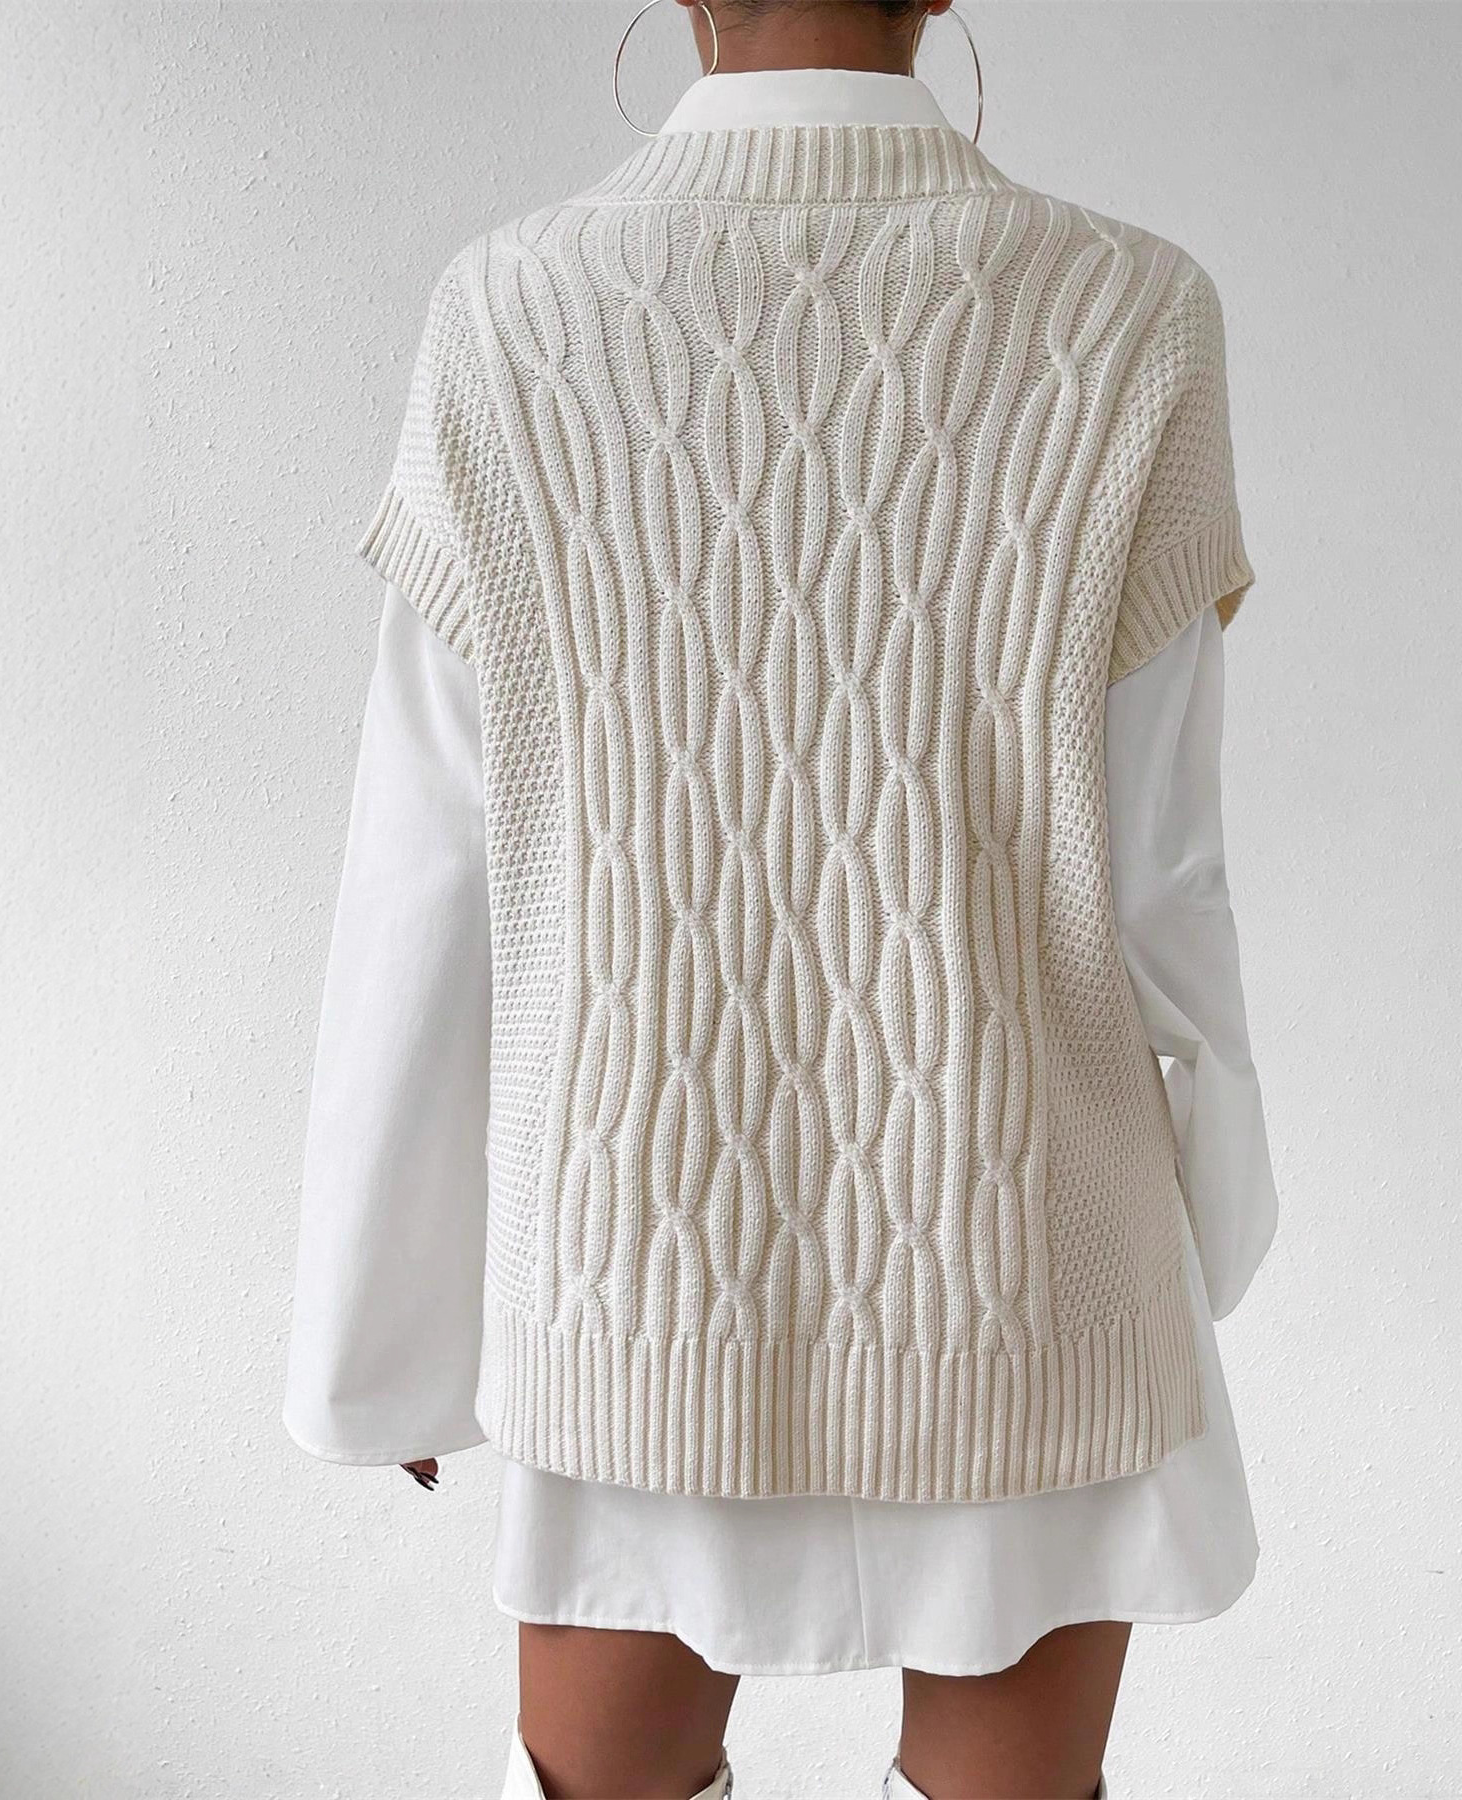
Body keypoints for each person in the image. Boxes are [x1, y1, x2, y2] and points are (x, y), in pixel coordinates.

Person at [283, 2, 1279, 1795]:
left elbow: (428, 873)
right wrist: (1213, 1227)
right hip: (1027, 1266)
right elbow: (1164, 880)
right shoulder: (1132, 314)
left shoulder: (509, 315)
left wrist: (381, 1332)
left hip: (638, 1271)